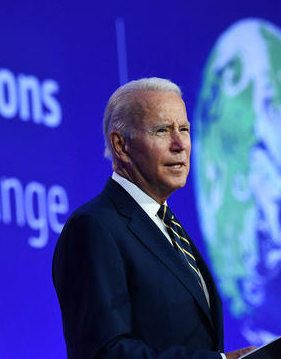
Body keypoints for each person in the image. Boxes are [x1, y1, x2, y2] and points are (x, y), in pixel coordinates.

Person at [52, 78, 256, 358]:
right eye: (162, 130)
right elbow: (104, 353)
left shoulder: (168, 227)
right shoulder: (94, 227)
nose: (180, 144)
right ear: (121, 145)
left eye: (184, 129)